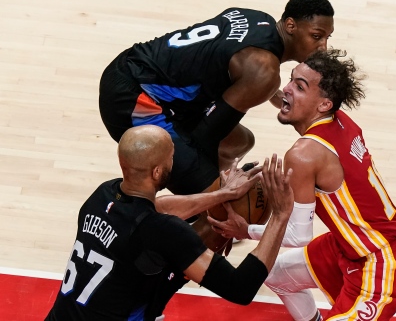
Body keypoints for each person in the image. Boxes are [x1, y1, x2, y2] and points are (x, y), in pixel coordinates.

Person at [209, 49, 396, 321]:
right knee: (275, 275)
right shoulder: (343, 121)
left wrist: (245, 230)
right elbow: (304, 113)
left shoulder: (303, 155)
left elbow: (299, 236)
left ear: (323, 105)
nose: (286, 89)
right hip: (348, 247)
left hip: (383, 264)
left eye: (298, 86)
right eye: (290, 80)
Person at [45, 125, 295, 321]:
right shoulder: (164, 232)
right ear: (156, 172)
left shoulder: (103, 195)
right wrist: (281, 215)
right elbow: (240, 288)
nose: (174, 161)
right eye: (171, 156)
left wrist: (222, 195)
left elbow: (158, 207)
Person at [99, 0, 334, 197]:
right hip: (135, 97)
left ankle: (203, 215)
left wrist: (274, 93)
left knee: (239, 142)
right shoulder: (264, 70)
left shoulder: (258, 20)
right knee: (215, 203)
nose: (323, 47)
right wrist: (219, 193)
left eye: (327, 37)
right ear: (291, 26)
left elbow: (232, 60)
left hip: (132, 65)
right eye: (316, 36)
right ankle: (167, 225)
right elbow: (206, 136)